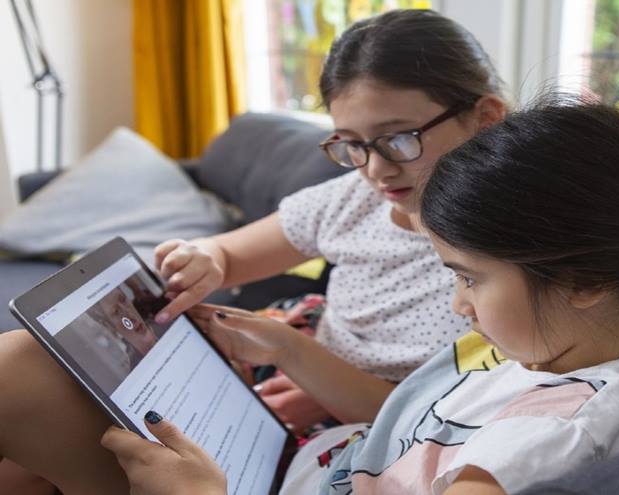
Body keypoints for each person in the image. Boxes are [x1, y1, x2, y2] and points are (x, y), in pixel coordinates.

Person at [98, 97, 619, 494]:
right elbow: (412, 418)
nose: (459, 303)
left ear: (585, 280)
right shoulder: (542, 348)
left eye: (469, 277)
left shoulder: (557, 431)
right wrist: (282, 343)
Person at [0, 9, 506, 494]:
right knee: (22, 457)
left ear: (485, 117)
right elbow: (228, 254)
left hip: (352, 422)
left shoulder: (505, 254)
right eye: (352, 144)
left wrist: (298, 360)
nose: (374, 169)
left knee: (25, 388)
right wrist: (202, 259)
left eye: (397, 139)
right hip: (282, 370)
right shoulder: (354, 198)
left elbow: (431, 412)